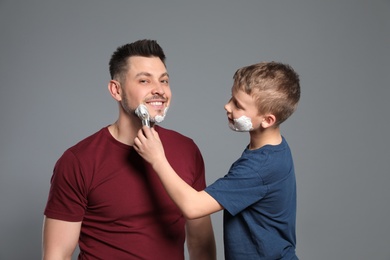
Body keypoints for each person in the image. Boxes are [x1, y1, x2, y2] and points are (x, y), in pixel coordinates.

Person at [42, 39, 216, 260]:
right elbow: (57, 254)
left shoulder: (187, 150)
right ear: (116, 90)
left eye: (164, 80)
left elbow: (200, 244)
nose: (159, 90)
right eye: (144, 80)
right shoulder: (78, 160)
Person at [134, 61, 301, 259]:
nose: (227, 106)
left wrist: (157, 159)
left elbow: (193, 207)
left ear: (268, 120)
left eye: (238, 105)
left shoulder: (260, 167)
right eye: (232, 97)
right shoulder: (275, 148)